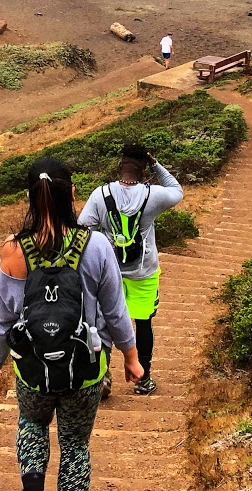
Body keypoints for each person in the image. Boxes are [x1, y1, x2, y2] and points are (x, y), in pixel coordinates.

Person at [0, 156, 142, 491]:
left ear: (32, 199)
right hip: (85, 369)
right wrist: (130, 357)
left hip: (33, 369)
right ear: (71, 194)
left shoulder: (14, 250)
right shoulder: (95, 246)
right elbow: (115, 310)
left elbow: (3, 315)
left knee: (32, 425)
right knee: (75, 447)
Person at [77, 144, 183, 397]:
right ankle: (143, 380)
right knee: (143, 322)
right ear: (143, 169)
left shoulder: (100, 195)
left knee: (101, 323)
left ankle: (101, 377)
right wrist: (156, 165)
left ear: (119, 166)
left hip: (108, 272)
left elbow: (82, 228)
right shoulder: (154, 196)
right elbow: (177, 191)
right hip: (144, 271)